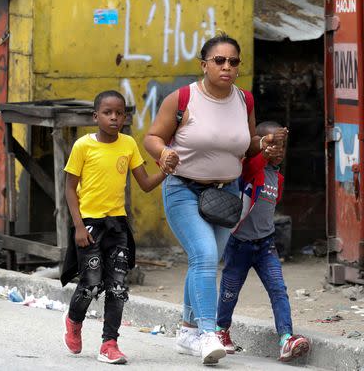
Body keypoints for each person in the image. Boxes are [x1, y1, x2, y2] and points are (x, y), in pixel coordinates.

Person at [143, 34, 286, 365]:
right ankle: (208, 332)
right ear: (204, 64)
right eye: (219, 60)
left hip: (227, 194)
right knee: (205, 256)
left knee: (203, 261)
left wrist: (263, 143)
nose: (226, 66)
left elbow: (245, 145)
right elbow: (152, 137)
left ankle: (186, 330)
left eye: (233, 61)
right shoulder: (182, 99)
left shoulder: (244, 100)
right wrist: (164, 152)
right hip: (183, 189)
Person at [61, 90, 166, 364]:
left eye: (119, 113)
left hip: (117, 226)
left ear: (125, 117)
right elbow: (70, 189)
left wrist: (166, 170)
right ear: (96, 116)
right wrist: (78, 227)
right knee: (91, 284)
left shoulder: (129, 144)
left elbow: (144, 184)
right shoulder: (83, 146)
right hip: (90, 225)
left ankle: (109, 343)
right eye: (107, 113)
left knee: (118, 287)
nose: (114, 118)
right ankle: (74, 320)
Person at [216, 121, 310, 362]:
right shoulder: (249, 167)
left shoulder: (277, 178)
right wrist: (263, 150)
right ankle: (221, 332)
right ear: (258, 146)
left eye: (281, 146)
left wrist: (275, 146)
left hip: (266, 244)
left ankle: (286, 339)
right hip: (239, 245)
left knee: (278, 290)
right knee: (229, 292)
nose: (276, 150)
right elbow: (255, 161)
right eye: (270, 145)